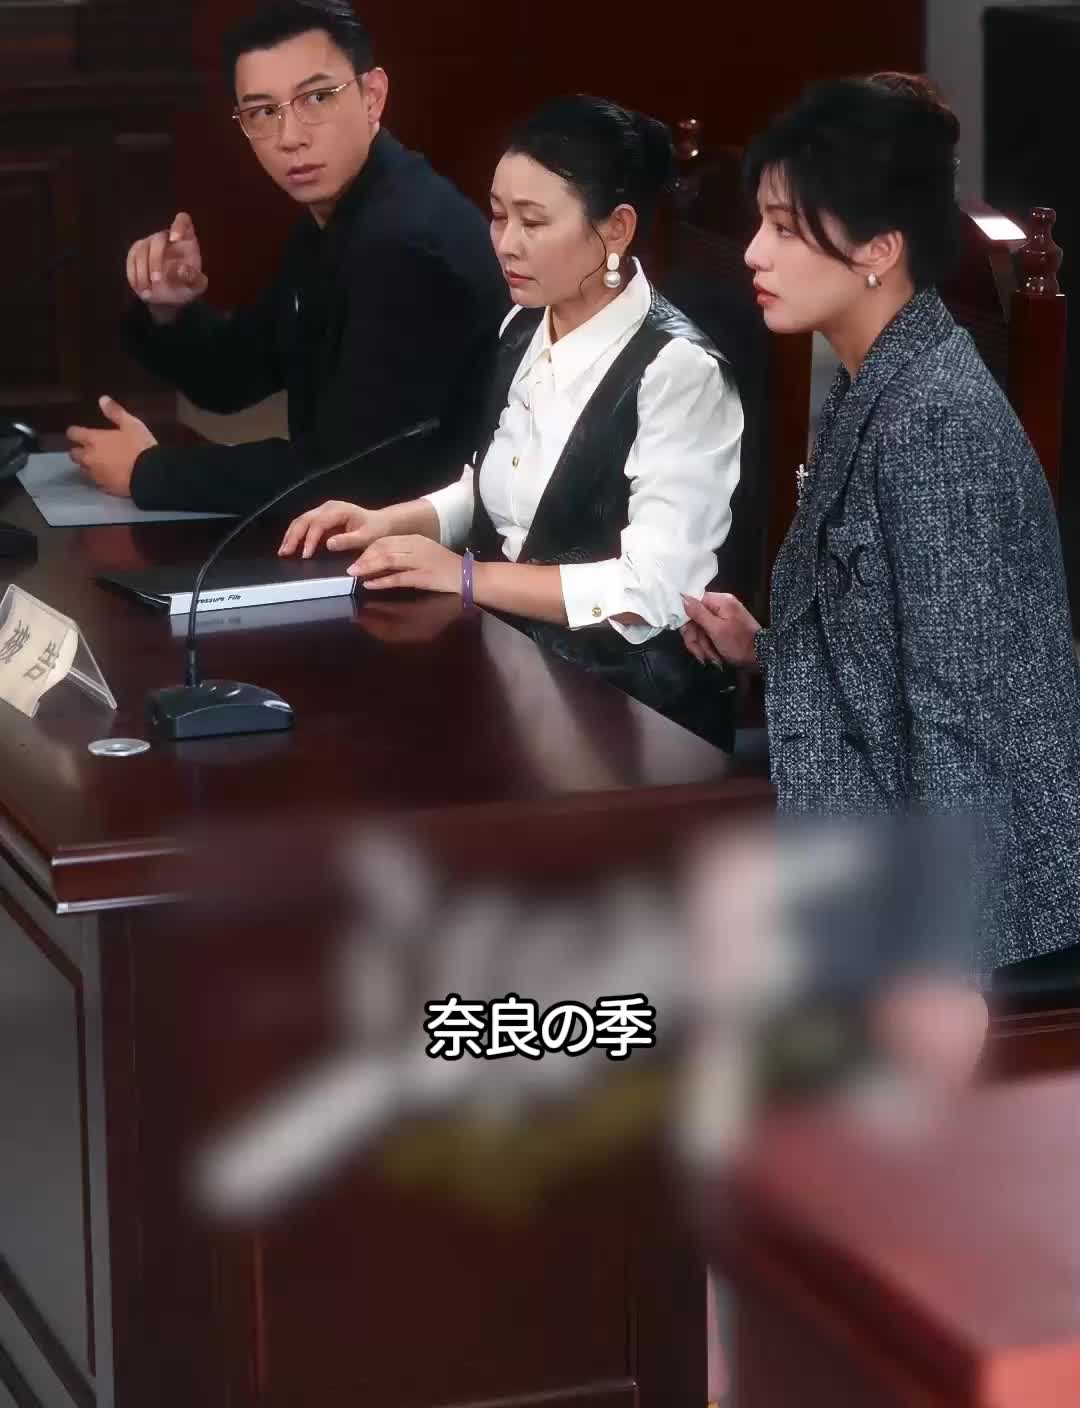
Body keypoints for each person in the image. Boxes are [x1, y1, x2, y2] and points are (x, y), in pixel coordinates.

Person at [682, 73, 1080, 969]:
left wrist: (945, 953)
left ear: (879, 249)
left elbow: (961, 714)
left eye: (786, 229)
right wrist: (763, 648)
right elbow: (889, 650)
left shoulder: (933, 422)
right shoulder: (882, 372)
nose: (753, 254)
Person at [282, 94, 745, 748]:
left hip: (628, 711)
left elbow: (656, 589)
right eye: (498, 215)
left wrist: (466, 577)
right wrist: (393, 520)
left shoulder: (678, 370)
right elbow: (499, 486)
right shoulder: (524, 324)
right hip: (517, 669)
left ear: (616, 229)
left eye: (533, 221)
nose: (505, 243)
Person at [66, 0, 508, 516]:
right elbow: (233, 378)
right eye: (263, 111)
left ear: (372, 96)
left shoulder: (403, 243)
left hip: (443, 543)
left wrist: (148, 472)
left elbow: (352, 474)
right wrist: (169, 307)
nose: (289, 137)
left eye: (316, 99)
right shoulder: (336, 220)